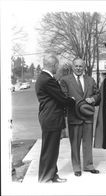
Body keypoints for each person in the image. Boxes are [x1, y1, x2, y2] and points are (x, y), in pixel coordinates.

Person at [35, 54, 75, 183]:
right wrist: (71, 100)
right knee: (49, 149)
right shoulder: (47, 80)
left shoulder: (44, 78)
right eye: (57, 66)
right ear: (53, 65)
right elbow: (61, 98)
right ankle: (45, 178)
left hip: (49, 117)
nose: (58, 68)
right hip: (51, 118)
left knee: (51, 149)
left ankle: (52, 175)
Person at [60, 57, 99, 176]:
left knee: (87, 143)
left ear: (84, 67)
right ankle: (76, 167)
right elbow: (63, 97)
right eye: (76, 66)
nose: (78, 68)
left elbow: (98, 94)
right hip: (74, 116)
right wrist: (71, 101)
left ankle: (88, 165)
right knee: (75, 143)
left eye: (80, 66)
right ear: (73, 67)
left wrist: (93, 99)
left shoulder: (90, 80)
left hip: (87, 116)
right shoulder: (65, 80)